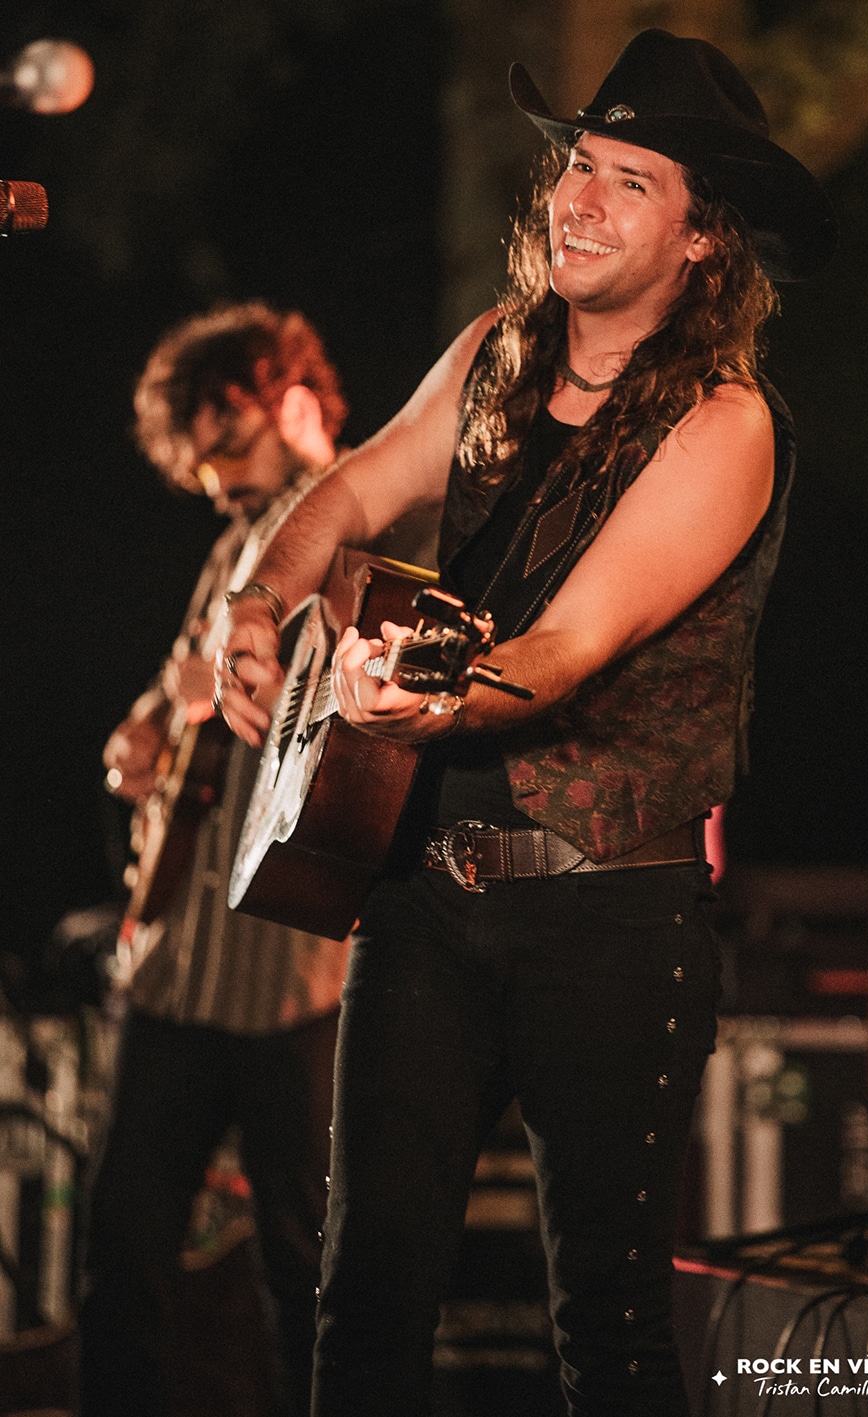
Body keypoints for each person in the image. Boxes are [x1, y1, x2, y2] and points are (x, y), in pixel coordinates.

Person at [216, 31, 836, 1417]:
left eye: (628, 180)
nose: (578, 199)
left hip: (606, 917)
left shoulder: (724, 422)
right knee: (361, 1300)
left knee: (607, 1330)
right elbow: (351, 490)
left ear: (701, 240)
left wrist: (414, 699)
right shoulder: (497, 350)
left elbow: (566, 648)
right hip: (420, 896)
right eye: (575, 165)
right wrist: (254, 606)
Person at [80, 302, 353, 1417]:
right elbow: (175, 689)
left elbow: (361, 693)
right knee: (122, 1249)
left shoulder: (354, 527)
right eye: (200, 462)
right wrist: (142, 736)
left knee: (304, 1263)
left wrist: (225, 683)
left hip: (288, 977)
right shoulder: (227, 549)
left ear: (293, 402)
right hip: (175, 964)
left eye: (230, 442)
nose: (217, 478)